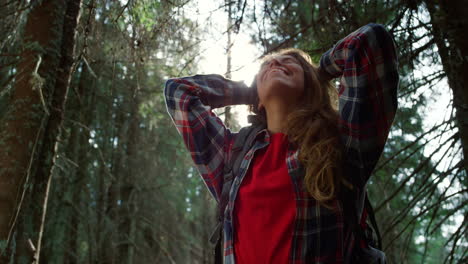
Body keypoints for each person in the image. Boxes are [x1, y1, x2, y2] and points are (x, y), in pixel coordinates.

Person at [164, 23, 399, 264]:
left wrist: (318, 73)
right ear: (258, 101)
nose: (275, 63)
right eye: (266, 66)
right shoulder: (232, 156)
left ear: (310, 82)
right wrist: (250, 91)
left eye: (290, 62)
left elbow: (369, 44)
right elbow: (178, 93)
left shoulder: (343, 141)